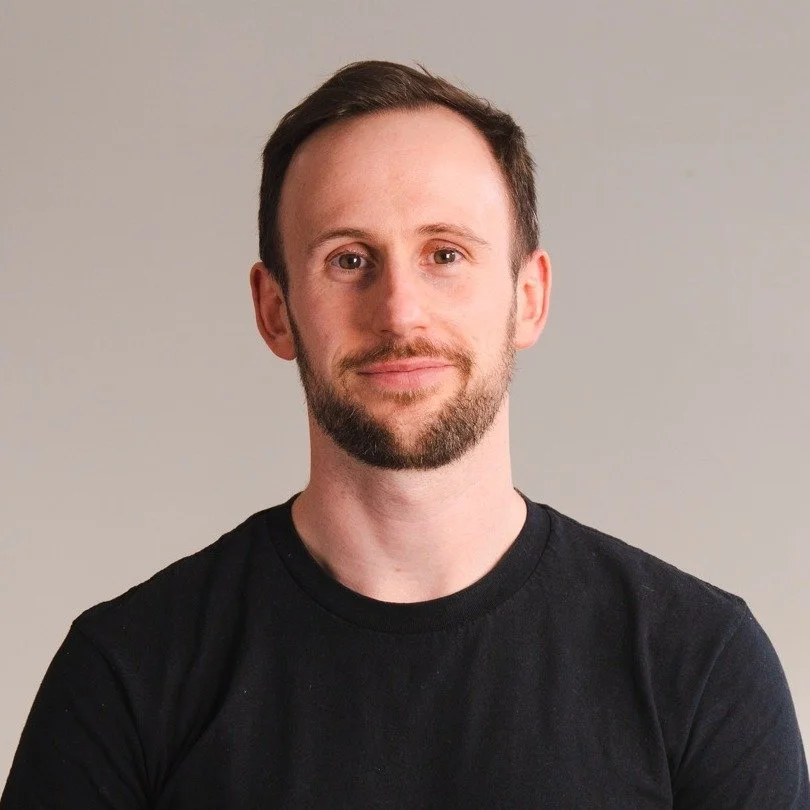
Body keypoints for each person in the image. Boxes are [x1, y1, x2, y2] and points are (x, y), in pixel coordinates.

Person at [2, 60, 807, 809]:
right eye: (349, 260)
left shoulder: (700, 666)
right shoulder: (127, 674)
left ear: (528, 298)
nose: (400, 313)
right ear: (275, 309)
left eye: (445, 254)